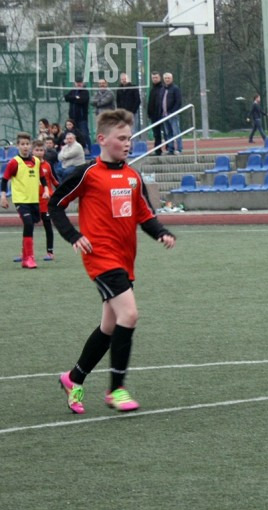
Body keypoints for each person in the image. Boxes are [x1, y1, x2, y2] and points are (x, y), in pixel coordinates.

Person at [50, 109, 176, 414]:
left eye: (129, 137)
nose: (127, 143)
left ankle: (73, 378)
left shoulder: (132, 177)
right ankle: (116, 389)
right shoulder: (87, 173)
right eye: (121, 138)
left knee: (109, 326)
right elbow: (55, 204)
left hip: (124, 259)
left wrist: (161, 232)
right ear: (102, 139)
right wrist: (72, 235)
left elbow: (144, 215)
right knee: (129, 315)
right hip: (100, 258)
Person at [0, 132, 50, 269]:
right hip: (20, 200)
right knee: (28, 224)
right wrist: (3, 197)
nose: (25, 146)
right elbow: (4, 180)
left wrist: (46, 190)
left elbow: (42, 178)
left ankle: (24, 256)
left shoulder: (36, 161)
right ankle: (29, 258)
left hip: (34, 200)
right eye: (22, 144)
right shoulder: (14, 162)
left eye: (27, 144)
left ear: (30, 145)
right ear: (18, 146)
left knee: (31, 225)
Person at [31, 140, 59, 261]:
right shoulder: (28, 165)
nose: (39, 152)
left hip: (46, 200)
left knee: (47, 224)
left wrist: (61, 190)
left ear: (44, 151)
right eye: (36, 150)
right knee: (29, 226)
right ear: (32, 151)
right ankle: (26, 253)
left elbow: (53, 180)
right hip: (32, 199)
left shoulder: (47, 165)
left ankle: (50, 252)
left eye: (41, 150)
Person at [64, 77, 90, 147]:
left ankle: (88, 149)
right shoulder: (72, 91)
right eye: (77, 82)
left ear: (83, 83)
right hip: (72, 119)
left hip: (82, 118)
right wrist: (75, 97)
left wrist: (73, 98)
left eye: (80, 82)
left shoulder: (85, 92)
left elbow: (82, 100)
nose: (79, 84)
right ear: (74, 83)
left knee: (84, 134)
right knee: (72, 134)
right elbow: (66, 97)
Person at [161, 72, 183, 155]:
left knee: (176, 132)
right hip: (164, 115)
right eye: (165, 78)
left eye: (168, 78)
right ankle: (170, 149)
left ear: (172, 79)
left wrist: (173, 111)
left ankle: (179, 149)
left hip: (172, 114)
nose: (167, 80)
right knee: (168, 133)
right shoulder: (163, 89)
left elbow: (178, 101)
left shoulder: (175, 89)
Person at [146, 71, 165, 155]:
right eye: (153, 78)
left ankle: (170, 148)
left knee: (167, 132)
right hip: (154, 115)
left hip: (162, 114)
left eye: (156, 77)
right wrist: (149, 113)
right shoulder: (152, 90)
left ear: (160, 78)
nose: (155, 79)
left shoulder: (163, 89)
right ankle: (158, 149)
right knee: (156, 134)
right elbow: (151, 102)